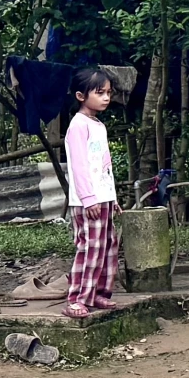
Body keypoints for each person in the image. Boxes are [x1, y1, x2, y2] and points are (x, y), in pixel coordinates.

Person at [62, 67, 121, 320]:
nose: (106, 98)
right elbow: (79, 166)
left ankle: (98, 293)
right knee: (90, 248)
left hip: (103, 198)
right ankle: (76, 298)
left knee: (107, 246)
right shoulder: (78, 125)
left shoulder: (98, 124)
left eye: (108, 92)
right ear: (80, 96)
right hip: (88, 201)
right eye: (100, 93)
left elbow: (104, 165)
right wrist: (88, 199)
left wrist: (112, 197)